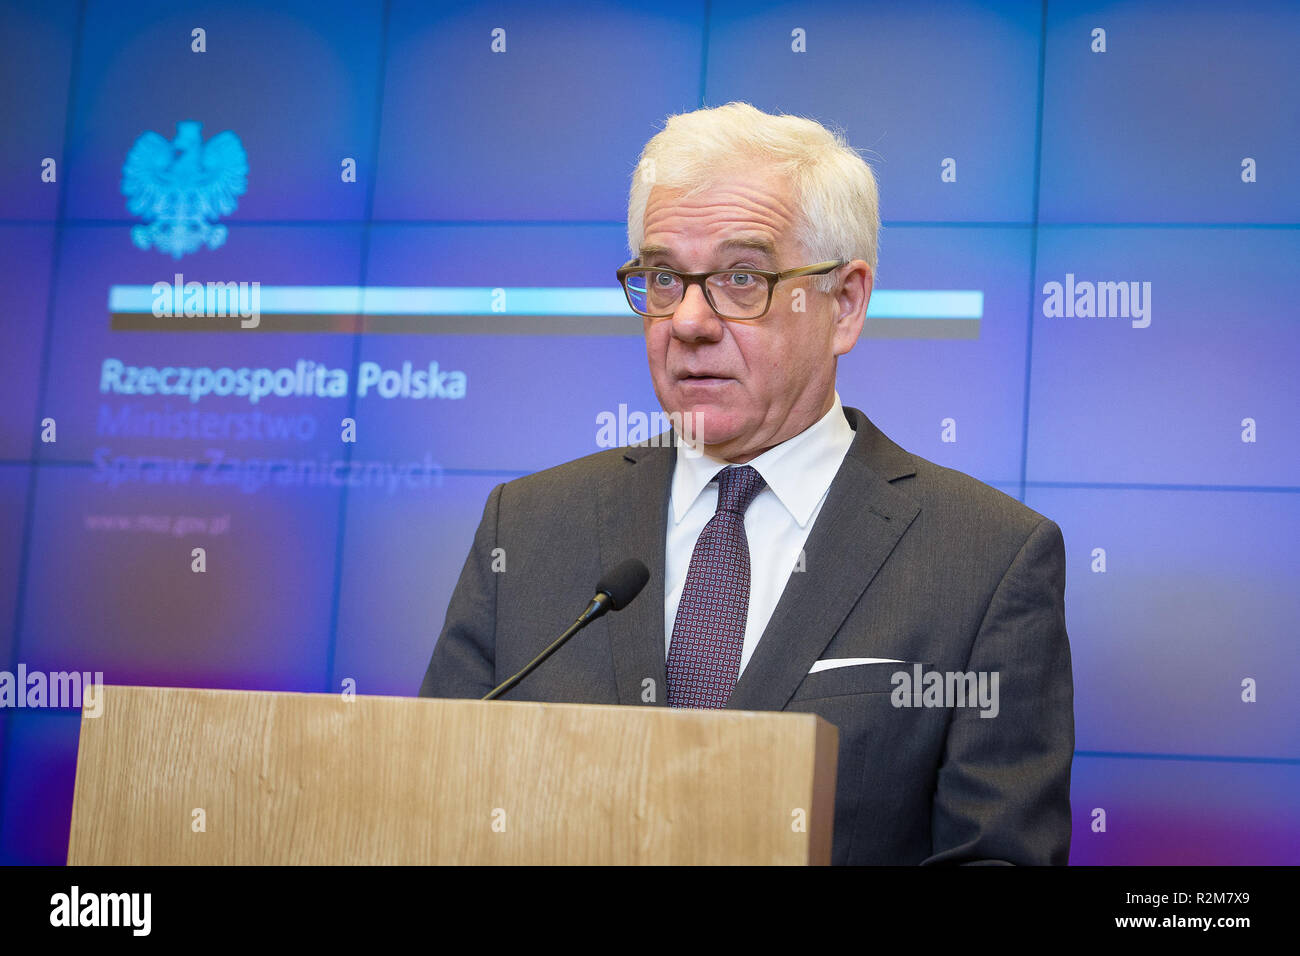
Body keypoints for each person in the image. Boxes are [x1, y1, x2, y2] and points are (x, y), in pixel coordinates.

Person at [419, 101, 1073, 865]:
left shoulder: (986, 561)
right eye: (663, 277)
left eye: (740, 277)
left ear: (845, 304)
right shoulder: (527, 528)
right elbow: (434, 807)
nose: (689, 321)